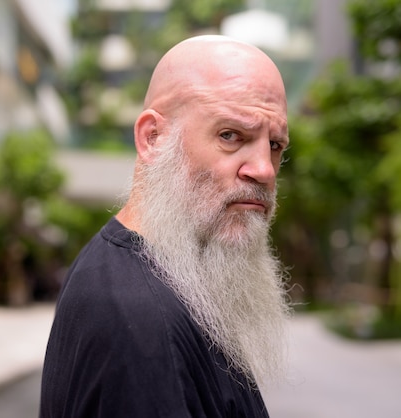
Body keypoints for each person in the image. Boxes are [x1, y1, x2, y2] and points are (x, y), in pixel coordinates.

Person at [40, 35, 292, 417]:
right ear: (152, 139)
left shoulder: (163, 281)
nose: (262, 169)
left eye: (274, 145)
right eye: (230, 135)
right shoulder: (138, 317)